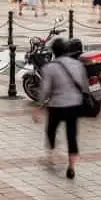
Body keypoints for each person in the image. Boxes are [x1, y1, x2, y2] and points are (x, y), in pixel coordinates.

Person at [36, 37, 89, 180]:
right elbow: (85, 86)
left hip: (57, 105)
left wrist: (40, 105)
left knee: (51, 129)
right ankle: (71, 166)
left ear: (53, 52)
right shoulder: (78, 65)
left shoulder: (50, 67)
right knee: (72, 134)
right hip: (74, 104)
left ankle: (52, 155)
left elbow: (45, 90)